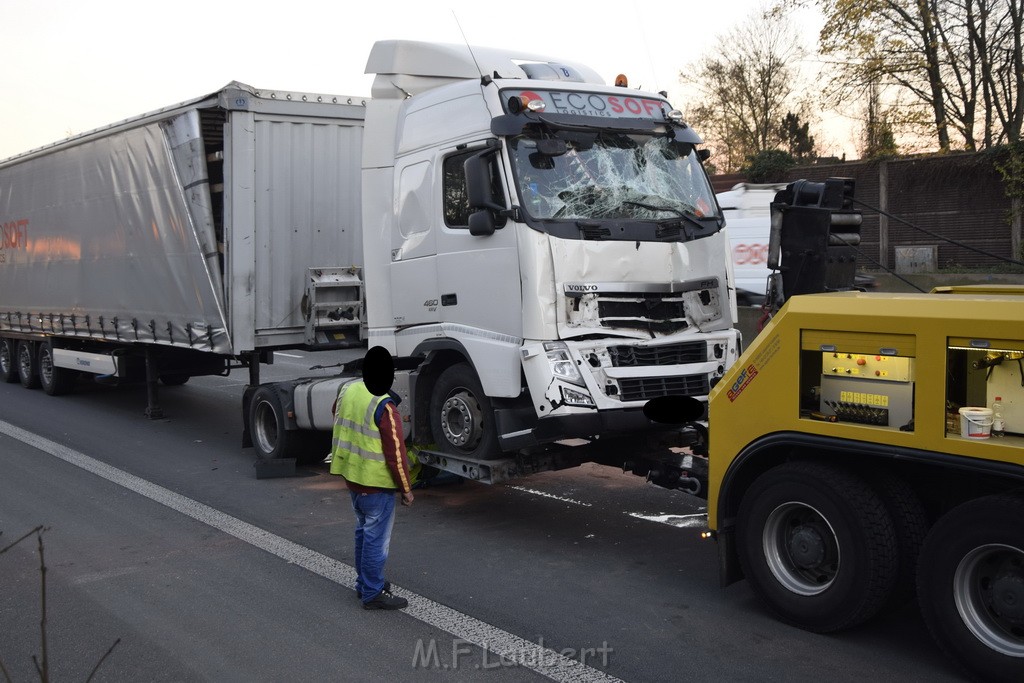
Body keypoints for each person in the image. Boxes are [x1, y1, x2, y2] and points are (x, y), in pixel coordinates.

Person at [329, 346, 414, 610]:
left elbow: (337, 413)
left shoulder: (348, 389)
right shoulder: (385, 406)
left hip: (352, 476)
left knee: (363, 533)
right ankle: (372, 593)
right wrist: (406, 489)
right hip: (376, 484)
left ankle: (364, 583)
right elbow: (396, 454)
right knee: (376, 539)